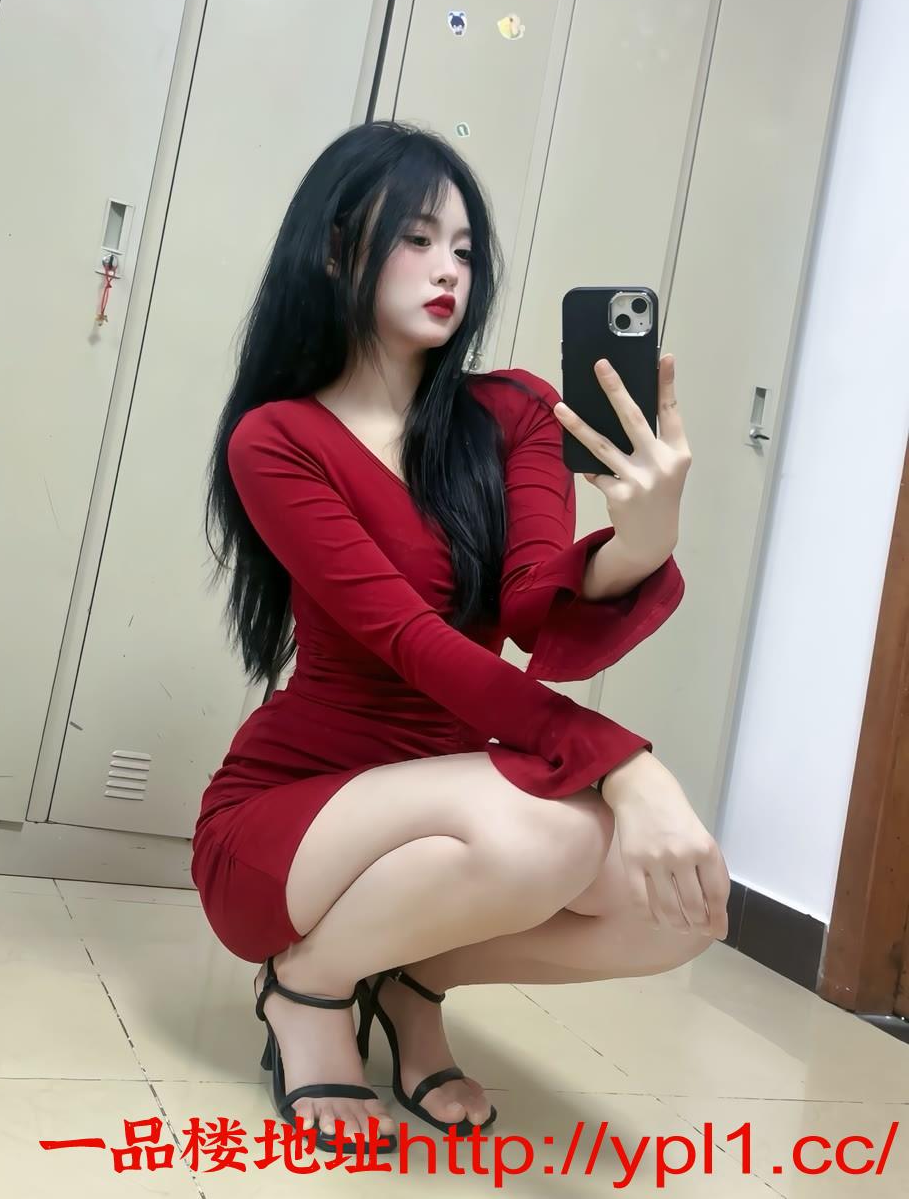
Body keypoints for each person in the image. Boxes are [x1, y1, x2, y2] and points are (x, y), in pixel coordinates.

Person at [190, 120, 730, 1157]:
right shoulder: (278, 439)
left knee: (684, 911)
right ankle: (308, 985)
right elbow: (412, 642)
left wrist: (645, 536)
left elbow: (537, 614)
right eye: (418, 239)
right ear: (338, 250)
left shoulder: (514, 410)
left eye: (466, 249)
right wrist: (626, 767)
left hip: (464, 788)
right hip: (300, 811)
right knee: (551, 834)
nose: (450, 270)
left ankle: (412, 979)